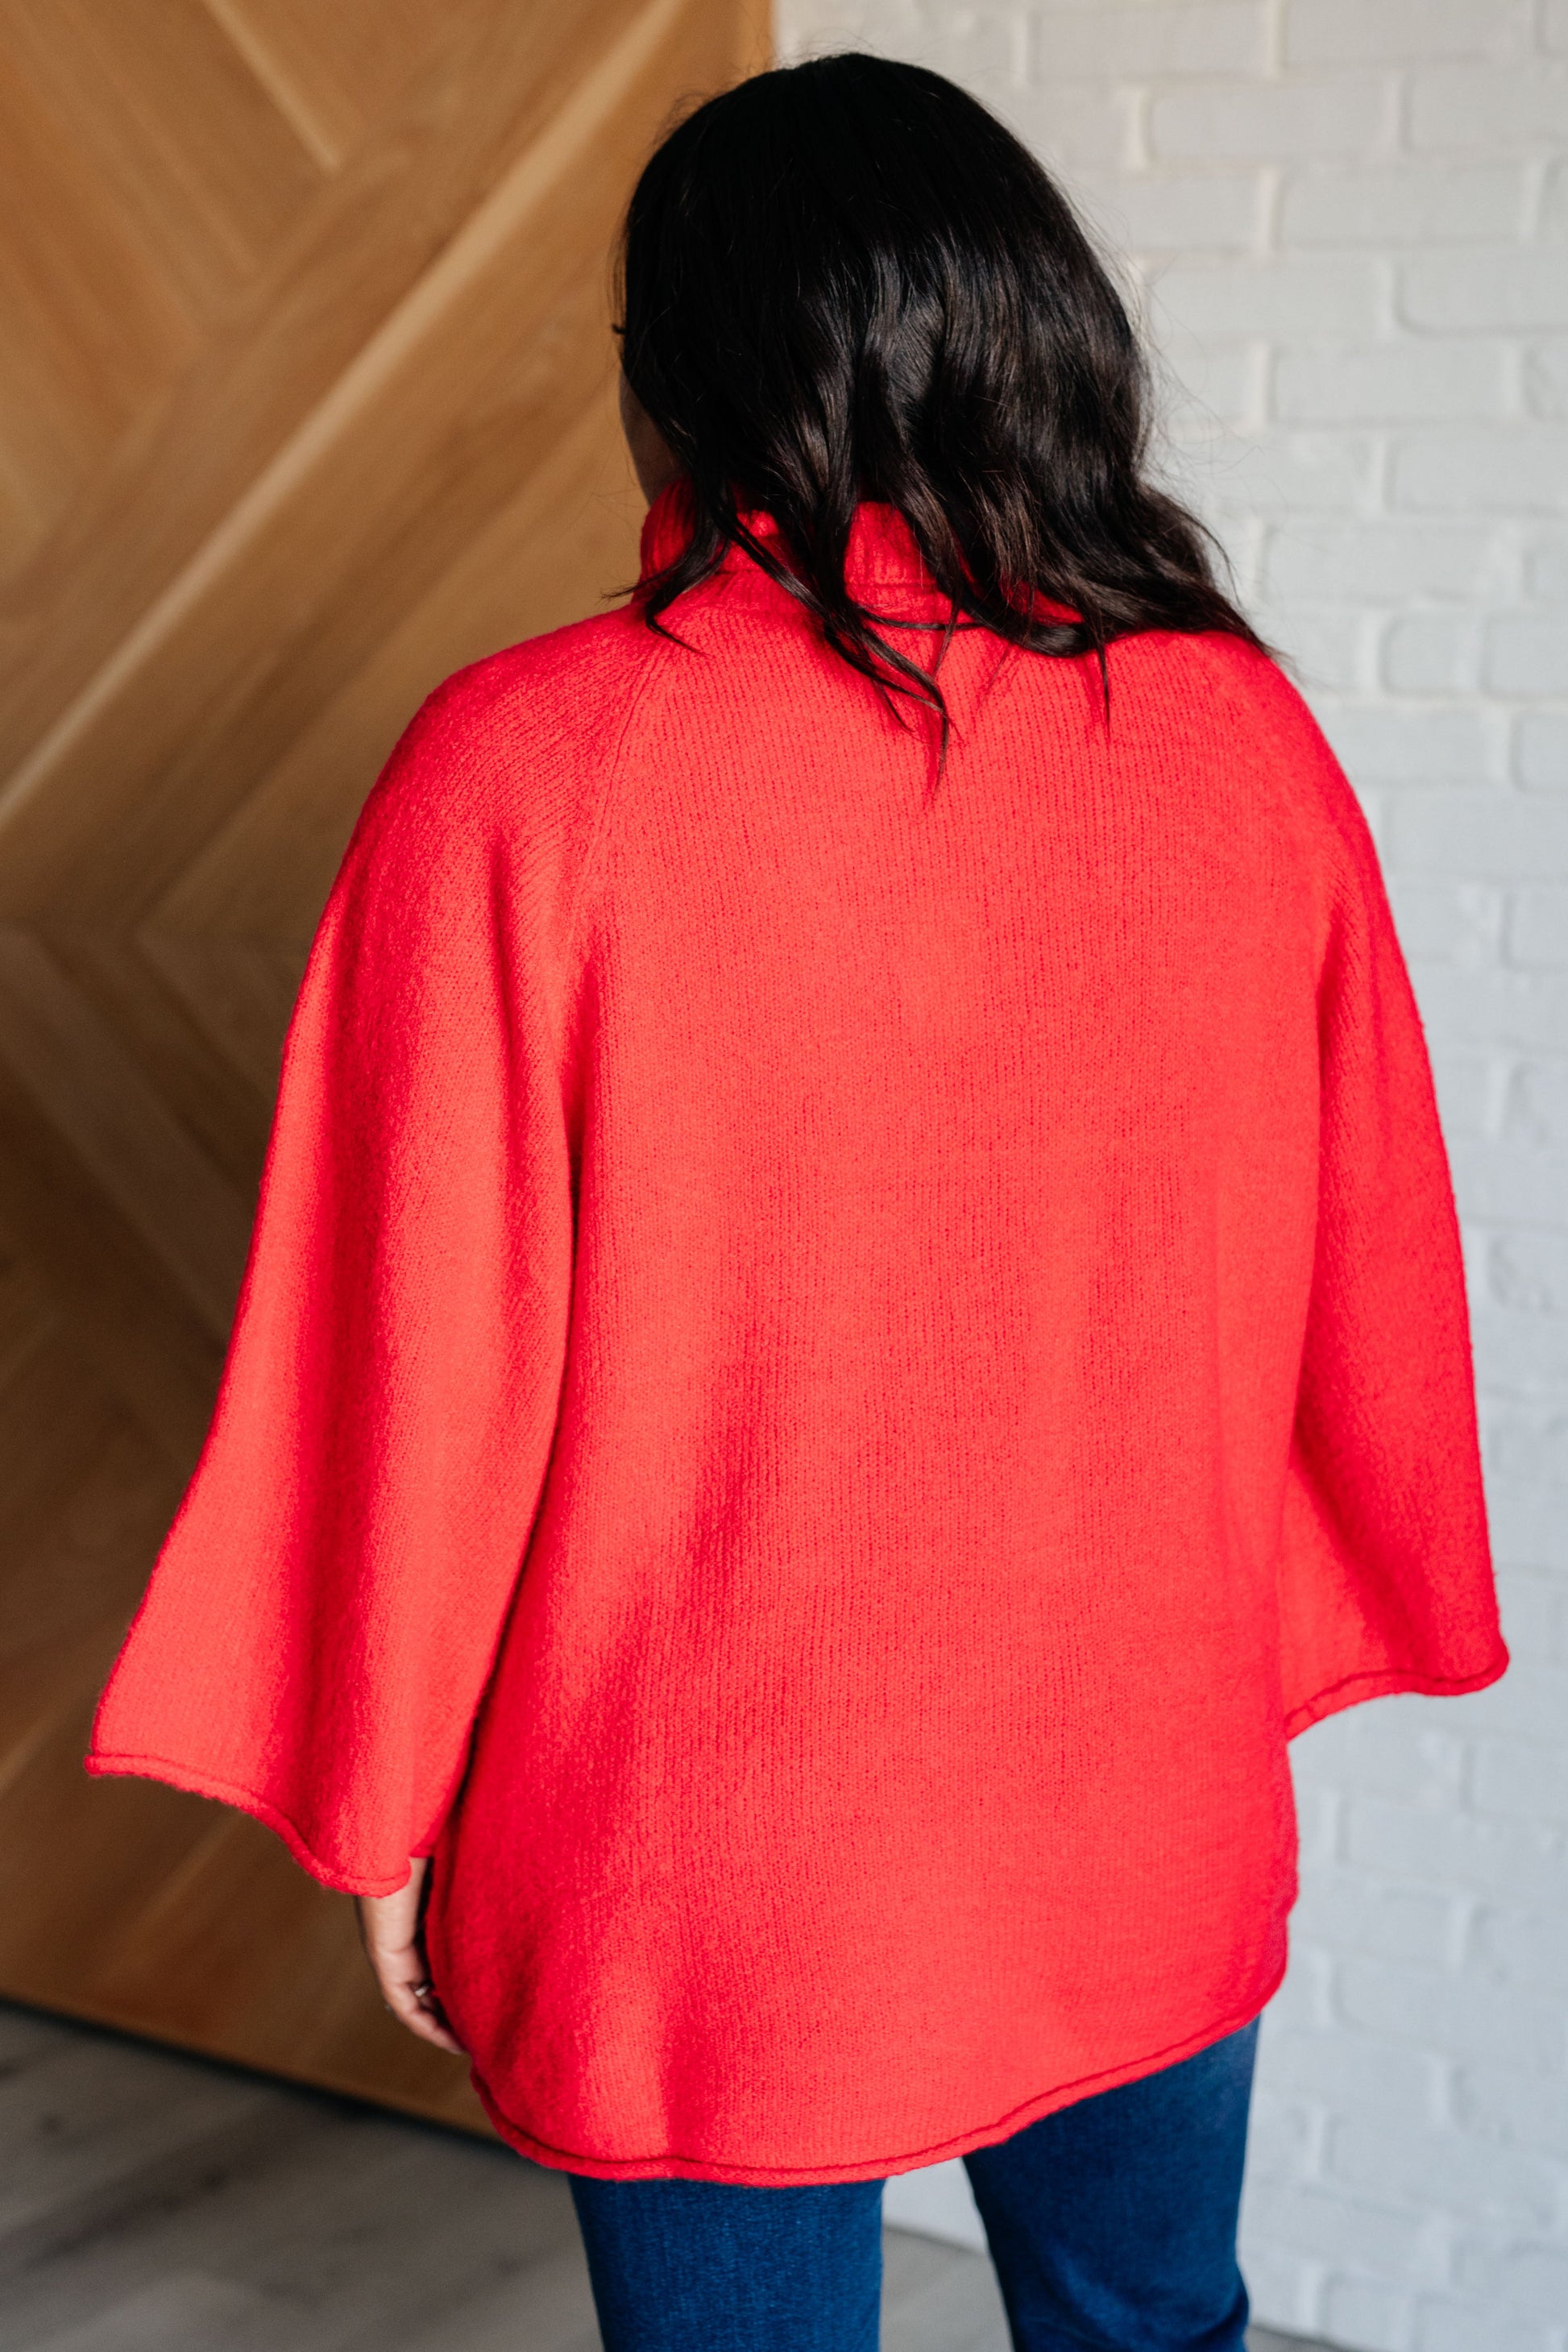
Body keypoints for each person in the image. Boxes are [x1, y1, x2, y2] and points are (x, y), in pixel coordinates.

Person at [87, 52, 1507, 2352]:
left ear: (683, 372)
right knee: (1156, 2332)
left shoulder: (528, 769)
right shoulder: (1240, 741)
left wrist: (389, 1784)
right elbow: (1360, 1267)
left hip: (704, 1847)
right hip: (1133, 1786)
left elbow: (420, 1349)